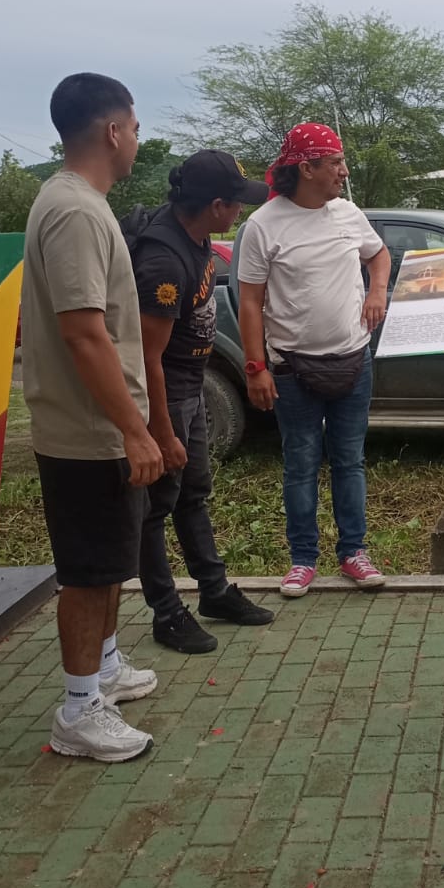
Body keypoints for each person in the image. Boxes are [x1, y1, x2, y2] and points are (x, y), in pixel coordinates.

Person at [22, 73, 163, 761]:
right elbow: (83, 333)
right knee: (86, 572)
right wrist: (135, 429)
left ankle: (103, 667)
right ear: (112, 131)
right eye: (133, 127)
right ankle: (79, 711)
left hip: (100, 426)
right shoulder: (75, 210)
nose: (136, 139)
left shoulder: (79, 202)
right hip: (87, 431)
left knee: (108, 560)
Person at [237, 122, 391, 597]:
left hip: (353, 361)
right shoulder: (263, 224)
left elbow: (379, 254)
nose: (344, 172)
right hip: (292, 368)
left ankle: (354, 552)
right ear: (306, 168)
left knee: (349, 461)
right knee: (300, 464)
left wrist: (377, 291)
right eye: (336, 163)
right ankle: (303, 559)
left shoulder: (347, 213)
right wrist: (256, 367)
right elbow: (249, 302)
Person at [133, 151, 276, 653]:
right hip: (167, 393)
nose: (241, 210)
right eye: (237, 202)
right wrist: (161, 431)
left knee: (193, 492)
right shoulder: (162, 260)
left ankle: (214, 592)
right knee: (156, 506)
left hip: (191, 385)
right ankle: (166, 612)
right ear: (216, 205)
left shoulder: (194, 237)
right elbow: (146, 356)